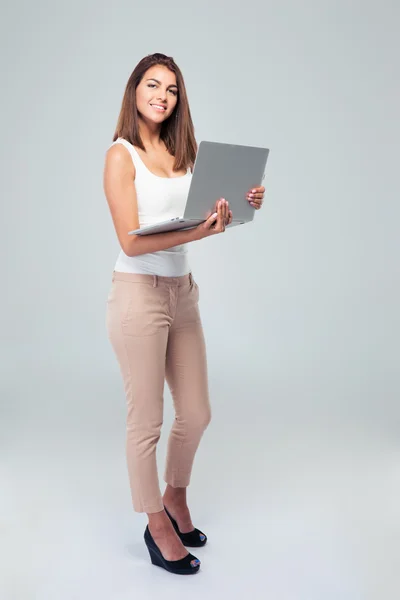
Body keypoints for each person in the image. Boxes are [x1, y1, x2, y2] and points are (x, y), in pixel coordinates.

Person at [103, 52, 265, 575]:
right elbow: (130, 239)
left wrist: (242, 205)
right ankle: (155, 525)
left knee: (196, 412)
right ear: (134, 91)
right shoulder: (120, 154)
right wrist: (198, 232)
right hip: (137, 294)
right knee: (145, 420)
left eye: (171, 90)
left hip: (182, 291)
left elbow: (206, 215)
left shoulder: (184, 152)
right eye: (153, 85)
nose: (162, 96)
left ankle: (174, 496)